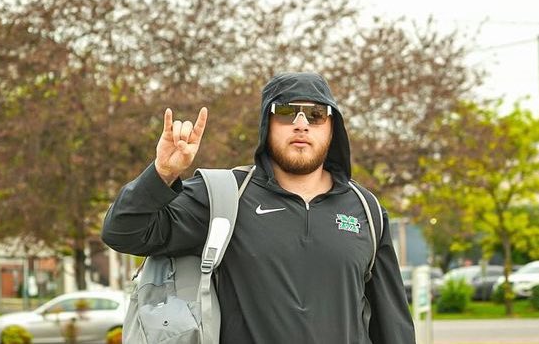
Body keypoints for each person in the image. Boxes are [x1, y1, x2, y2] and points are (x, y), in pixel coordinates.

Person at [102, 72, 415, 343]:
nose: (302, 124)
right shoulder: (226, 197)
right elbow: (124, 232)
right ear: (267, 123)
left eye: (317, 114)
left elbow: (393, 325)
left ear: (333, 128)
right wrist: (163, 173)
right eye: (287, 111)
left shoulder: (366, 211)